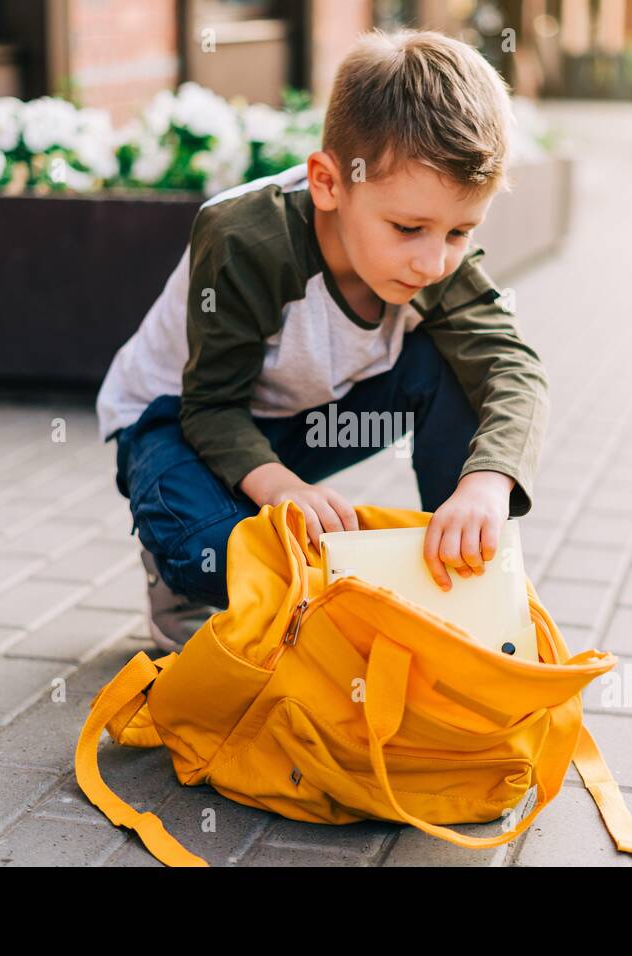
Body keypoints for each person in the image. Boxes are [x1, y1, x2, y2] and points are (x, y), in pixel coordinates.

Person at [96, 28, 550, 651]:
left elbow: (512, 369)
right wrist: (284, 493)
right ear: (329, 183)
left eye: (458, 231)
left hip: (297, 419)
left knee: (455, 366)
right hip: (178, 421)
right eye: (409, 227)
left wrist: (485, 487)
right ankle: (189, 574)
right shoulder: (246, 240)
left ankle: (455, 575)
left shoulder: (433, 257)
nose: (433, 262)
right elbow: (211, 407)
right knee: (206, 551)